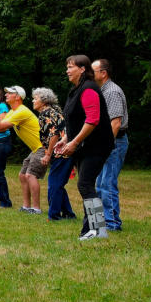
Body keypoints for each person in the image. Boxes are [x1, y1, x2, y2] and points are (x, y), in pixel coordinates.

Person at [54, 55, 115, 240]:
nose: (67, 70)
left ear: (82, 69)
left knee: (85, 184)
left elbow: (92, 120)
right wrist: (65, 139)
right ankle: (91, 228)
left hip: (97, 146)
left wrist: (74, 142)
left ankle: (97, 229)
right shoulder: (76, 90)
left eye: (70, 66)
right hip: (85, 147)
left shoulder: (89, 89)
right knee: (85, 184)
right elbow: (75, 120)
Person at [0, 86, 43, 213]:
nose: (6, 95)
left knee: (29, 175)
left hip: (41, 147)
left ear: (17, 97)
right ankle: (25, 206)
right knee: (22, 175)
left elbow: (1, 127)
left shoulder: (21, 111)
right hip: (34, 149)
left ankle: (34, 208)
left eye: (10, 93)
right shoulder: (12, 111)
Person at [92, 59, 129, 231]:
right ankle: (101, 221)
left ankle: (112, 223)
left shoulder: (112, 91)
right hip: (105, 143)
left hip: (114, 143)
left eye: (93, 71)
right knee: (99, 183)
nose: (90, 75)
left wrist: (106, 146)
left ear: (103, 73)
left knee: (107, 183)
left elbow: (115, 123)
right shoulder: (102, 91)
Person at [32, 88, 75, 220]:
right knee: (58, 183)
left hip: (61, 152)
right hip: (64, 152)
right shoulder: (51, 112)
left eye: (36, 98)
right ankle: (68, 214)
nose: (33, 101)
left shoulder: (46, 113)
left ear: (44, 101)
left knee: (54, 184)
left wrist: (48, 154)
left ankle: (54, 215)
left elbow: (54, 134)